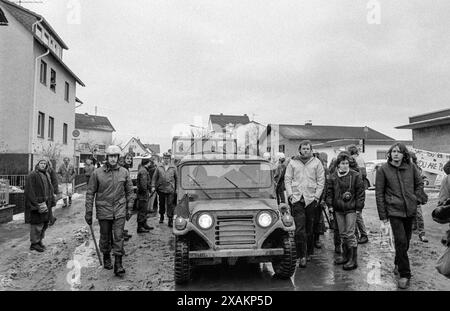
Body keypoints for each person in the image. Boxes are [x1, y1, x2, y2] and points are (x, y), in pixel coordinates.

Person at [375, 143, 424, 289]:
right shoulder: (383, 170)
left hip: (410, 210)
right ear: (390, 154)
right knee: (401, 241)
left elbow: (419, 184)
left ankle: (398, 261)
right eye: (393, 151)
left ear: (404, 154)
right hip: (394, 211)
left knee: (406, 241)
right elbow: (379, 193)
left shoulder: (411, 167)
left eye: (399, 152)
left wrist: (417, 198)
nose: (396, 154)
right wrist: (383, 215)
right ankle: (405, 274)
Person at [85, 145, 135, 276]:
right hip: (104, 210)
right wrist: (88, 211)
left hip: (119, 209)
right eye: (111, 156)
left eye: (115, 156)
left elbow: (130, 191)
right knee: (105, 236)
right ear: (107, 157)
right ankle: (106, 256)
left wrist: (129, 208)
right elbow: (90, 193)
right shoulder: (97, 173)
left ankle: (118, 263)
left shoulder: (124, 172)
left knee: (118, 236)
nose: (113, 159)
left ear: (118, 157)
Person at [285, 140, 325, 268]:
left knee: (310, 227)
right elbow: (287, 179)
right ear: (300, 150)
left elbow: (321, 181)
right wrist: (290, 194)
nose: (306, 151)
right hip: (297, 199)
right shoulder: (293, 162)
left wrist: (317, 197)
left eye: (308, 149)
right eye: (304, 148)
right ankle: (301, 255)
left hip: (311, 199)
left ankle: (308, 253)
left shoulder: (316, 163)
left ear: (311, 150)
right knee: (299, 229)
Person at [326, 152, 365, 270]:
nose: (345, 165)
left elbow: (360, 193)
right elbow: (329, 192)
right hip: (338, 209)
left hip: (351, 209)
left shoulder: (355, 175)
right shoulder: (333, 176)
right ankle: (345, 256)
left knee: (350, 233)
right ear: (338, 165)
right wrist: (330, 205)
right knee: (342, 233)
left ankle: (353, 260)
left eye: (347, 163)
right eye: (342, 163)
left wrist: (359, 208)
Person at [25, 158, 54, 252]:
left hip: (46, 203)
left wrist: (51, 200)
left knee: (44, 223)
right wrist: (35, 204)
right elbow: (29, 191)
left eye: (45, 163)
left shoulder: (46, 174)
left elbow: (50, 188)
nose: (43, 165)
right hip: (38, 203)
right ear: (37, 164)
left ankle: (39, 241)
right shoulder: (32, 175)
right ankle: (34, 243)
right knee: (37, 224)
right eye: (41, 163)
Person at [347, 145, 369, 244]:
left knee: (357, 215)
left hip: (357, 191)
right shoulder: (360, 160)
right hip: (358, 190)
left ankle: (363, 235)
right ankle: (357, 234)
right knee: (356, 214)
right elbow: (364, 174)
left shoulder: (355, 162)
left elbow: (362, 175)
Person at [151, 152, 178, 227]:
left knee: (170, 204)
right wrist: (153, 186)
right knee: (161, 203)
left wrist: (177, 189)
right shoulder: (159, 167)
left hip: (170, 189)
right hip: (161, 189)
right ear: (163, 159)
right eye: (165, 158)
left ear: (170, 159)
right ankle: (162, 216)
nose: (166, 160)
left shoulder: (173, 167)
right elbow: (154, 177)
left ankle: (170, 219)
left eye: (167, 158)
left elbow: (177, 179)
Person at [409, 152, 429, 243]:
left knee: (418, 214)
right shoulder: (403, 169)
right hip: (407, 195)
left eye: (410, 158)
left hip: (416, 196)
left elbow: (421, 179)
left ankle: (422, 233)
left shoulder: (417, 169)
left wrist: (424, 180)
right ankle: (413, 228)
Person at [136, 158, 154, 233]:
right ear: (147, 162)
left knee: (144, 210)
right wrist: (147, 191)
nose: (151, 164)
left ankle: (144, 224)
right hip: (143, 194)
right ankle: (140, 227)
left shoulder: (143, 170)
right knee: (142, 210)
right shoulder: (143, 171)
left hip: (143, 194)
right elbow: (143, 184)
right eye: (150, 162)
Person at [46, 160, 59, 226]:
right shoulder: (42, 171)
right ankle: (51, 219)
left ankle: (51, 219)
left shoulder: (51, 171)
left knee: (49, 206)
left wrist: (54, 192)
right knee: (47, 206)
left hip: (50, 191)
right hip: (44, 191)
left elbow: (55, 181)